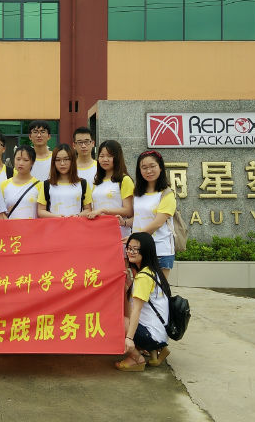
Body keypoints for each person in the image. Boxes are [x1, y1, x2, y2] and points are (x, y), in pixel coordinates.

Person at [116, 232, 170, 372]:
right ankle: (154, 351)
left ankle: (136, 358)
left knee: (117, 321)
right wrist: (128, 286)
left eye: (135, 249)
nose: (130, 252)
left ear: (146, 251)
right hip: (160, 333)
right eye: (129, 248)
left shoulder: (143, 277)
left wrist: (129, 338)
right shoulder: (153, 271)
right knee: (126, 318)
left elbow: (136, 310)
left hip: (152, 335)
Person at [125, 150, 176, 279]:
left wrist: (134, 237)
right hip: (138, 251)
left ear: (160, 167)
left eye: (152, 166)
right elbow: (139, 218)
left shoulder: (166, 193)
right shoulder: (137, 194)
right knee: (139, 288)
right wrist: (124, 222)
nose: (149, 171)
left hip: (160, 249)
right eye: (144, 167)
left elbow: (157, 223)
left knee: (159, 289)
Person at [87, 140, 134, 240]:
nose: (105, 159)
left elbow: (129, 210)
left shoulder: (124, 180)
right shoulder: (97, 182)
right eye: (101, 156)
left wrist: (103, 210)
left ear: (117, 158)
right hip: (98, 231)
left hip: (118, 231)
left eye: (109, 156)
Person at [37, 144, 92, 218]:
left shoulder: (83, 183)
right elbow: (41, 211)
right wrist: (56, 217)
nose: (62, 163)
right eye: (58, 160)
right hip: (54, 224)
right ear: (53, 162)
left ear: (72, 161)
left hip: (76, 224)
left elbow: (88, 209)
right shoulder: (46, 184)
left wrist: (77, 216)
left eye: (66, 159)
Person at [0, 146, 40, 219]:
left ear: (32, 162)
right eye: (18, 159)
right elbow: (0, 212)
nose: (21, 163)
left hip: (32, 226)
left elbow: (41, 211)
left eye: (26, 160)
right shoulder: (4, 185)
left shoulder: (39, 186)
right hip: (10, 226)